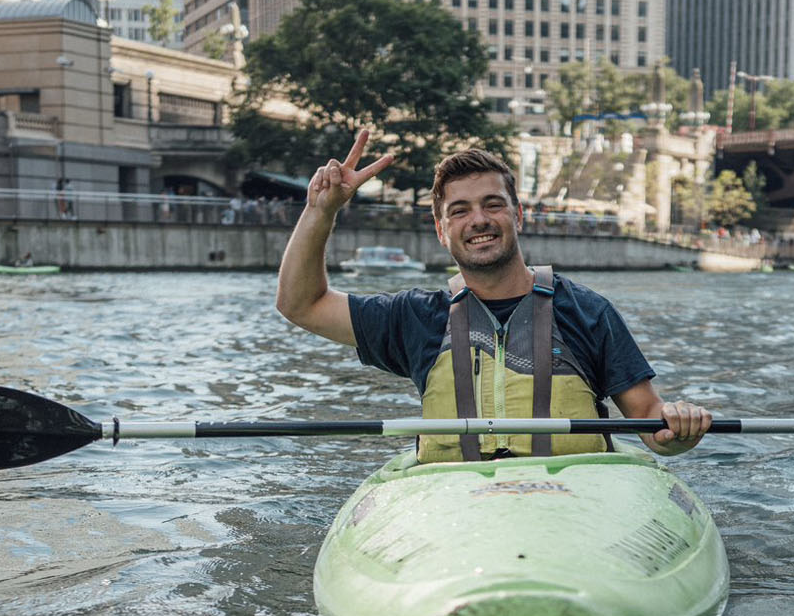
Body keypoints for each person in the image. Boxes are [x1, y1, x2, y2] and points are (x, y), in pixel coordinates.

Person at [276, 130, 712, 464]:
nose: (479, 220)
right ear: (441, 230)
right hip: (457, 507)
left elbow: (652, 425)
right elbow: (301, 305)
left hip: (575, 505)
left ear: (518, 215)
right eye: (460, 211)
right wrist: (321, 210)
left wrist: (678, 426)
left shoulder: (587, 311)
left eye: (493, 204)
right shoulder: (415, 317)